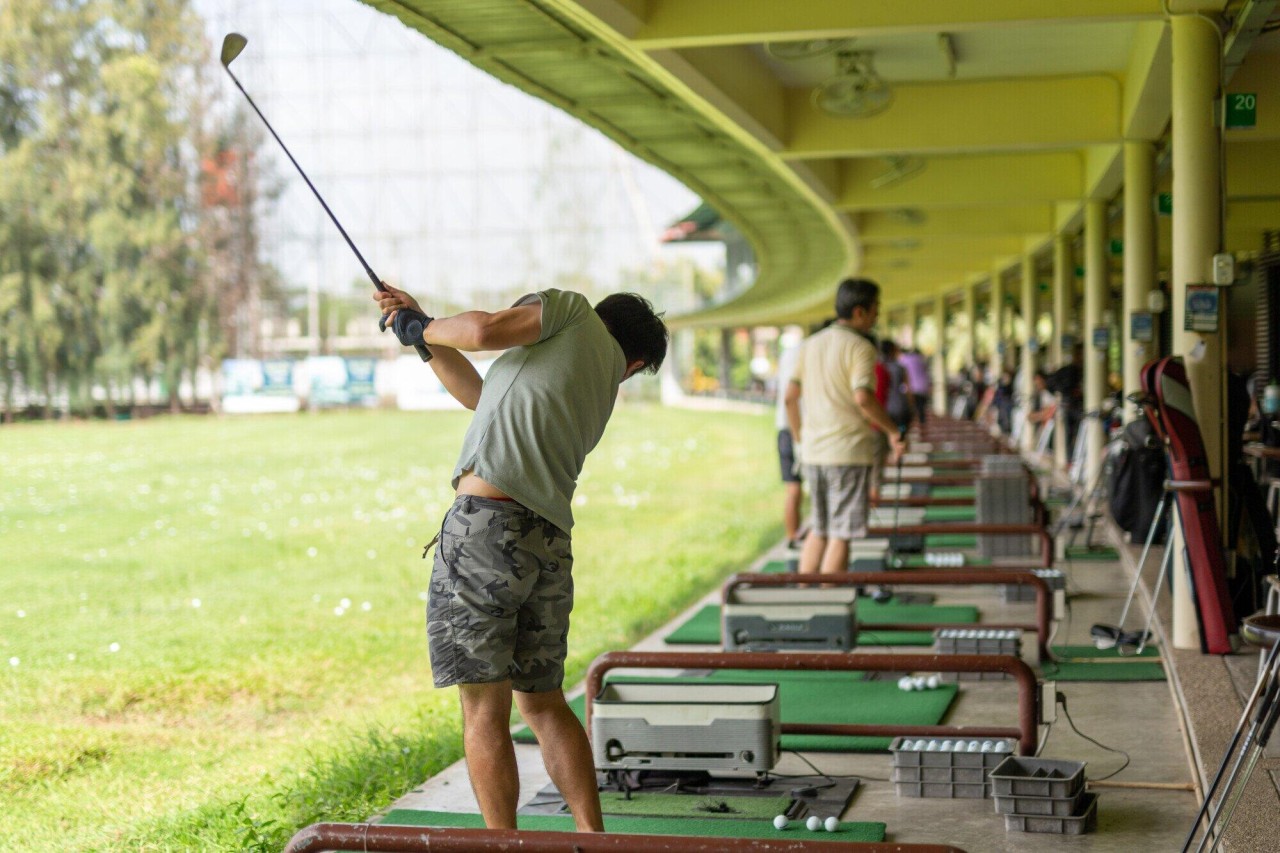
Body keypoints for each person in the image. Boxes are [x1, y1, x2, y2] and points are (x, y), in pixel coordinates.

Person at [374, 282, 668, 832]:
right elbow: (480, 395)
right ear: (634, 360)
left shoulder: (574, 311)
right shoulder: (597, 380)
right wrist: (422, 332)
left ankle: (503, 847)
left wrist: (424, 323)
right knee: (543, 702)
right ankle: (591, 837)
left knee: (485, 708)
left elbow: (484, 330)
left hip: (487, 530)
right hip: (547, 542)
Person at [785, 278, 906, 576]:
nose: (877, 316)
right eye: (876, 309)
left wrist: (801, 440)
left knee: (820, 527)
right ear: (860, 312)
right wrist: (893, 431)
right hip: (848, 452)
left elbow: (790, 398)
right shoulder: (861, 348)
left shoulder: (809, 345)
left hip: (813, 453)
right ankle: (829, 610)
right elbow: (863, 397)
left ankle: (805, 601)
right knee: (841, 534)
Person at [774, 331, 805, 548]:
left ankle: (793, 537)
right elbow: (790, 400)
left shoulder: (788, 356)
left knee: (794, 490)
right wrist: (799, 439)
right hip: (796, 432)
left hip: (786, 430)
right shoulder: (805, 355)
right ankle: (793, 537)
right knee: (795, 491)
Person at [899, 347, 932, 424]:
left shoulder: (904, 360)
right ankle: (922, 425)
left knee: (910, 411)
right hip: (922, 388)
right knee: (921, 409)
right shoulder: (921, 359)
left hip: (909, 389)